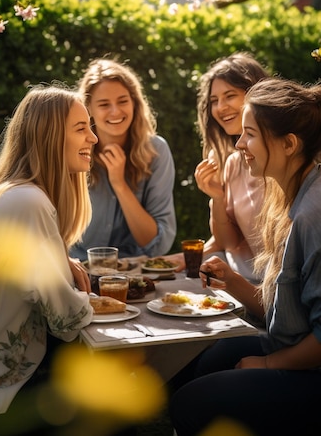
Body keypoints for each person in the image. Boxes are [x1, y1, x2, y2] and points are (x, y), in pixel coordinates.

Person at [170, 77, 321, 436]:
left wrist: (268, 364)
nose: (239, 144)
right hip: (291, 344)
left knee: (188, 405)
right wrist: (234, 283)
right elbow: (289, 311)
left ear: (288, 144)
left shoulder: (312, 215)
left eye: (250, 134)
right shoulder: (289, 195)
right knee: (203, 365)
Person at [0, 83, 98, 433]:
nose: (94, 138)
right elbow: (67, 321)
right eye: (81, 128)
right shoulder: (29, 202)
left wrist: (61, 259)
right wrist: (86, 296)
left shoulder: (13, 194)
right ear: (51, 136)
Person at [166, 52, 269, 282]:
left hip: (277, 289)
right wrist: (218, 198)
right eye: (214, 101)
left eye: (230, 96)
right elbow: (228, 243)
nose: (221, 107)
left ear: (256, 93)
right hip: (240, 282)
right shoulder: (232, 163)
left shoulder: (279, 158)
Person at [69, 58, 176, 261]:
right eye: (104, 104)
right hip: (77, 267)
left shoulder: (156, 151)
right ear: (88, 109)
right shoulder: (72, 150)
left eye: (122, 101)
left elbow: (156, 244)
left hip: (135, 271)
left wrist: (119, 183)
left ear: (135, 103)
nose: (115, 111)